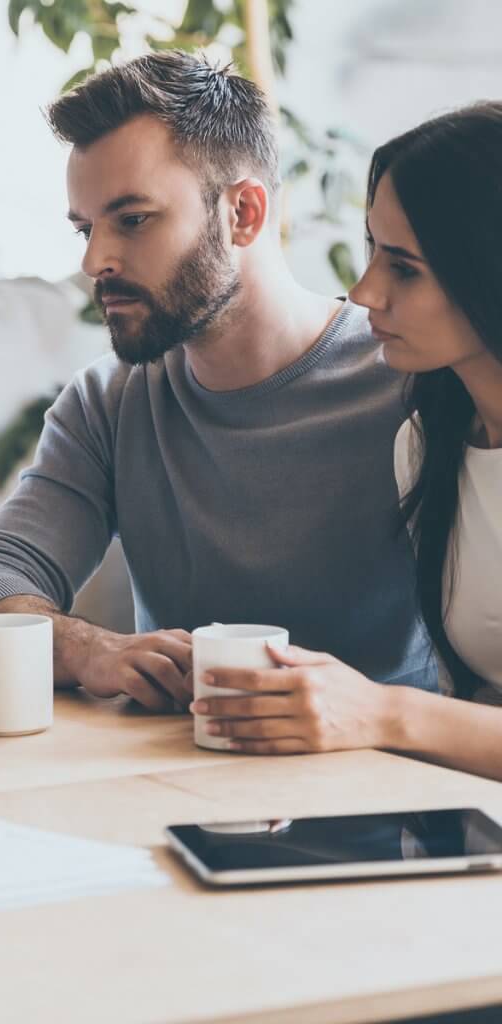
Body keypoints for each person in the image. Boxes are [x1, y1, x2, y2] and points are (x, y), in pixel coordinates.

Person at [0, 50, 435, 709]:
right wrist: (86, 646)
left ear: (243, 214)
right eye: (85, 228)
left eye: (132, 220)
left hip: (387, 801)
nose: (94, 260)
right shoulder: (109, 402)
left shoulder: (408, 378)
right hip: (169, 794)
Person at [194, 102, 502, 779]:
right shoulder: (428, 443)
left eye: (404, 267)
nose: (364, 292)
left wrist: (382, 713)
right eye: (370, 250)